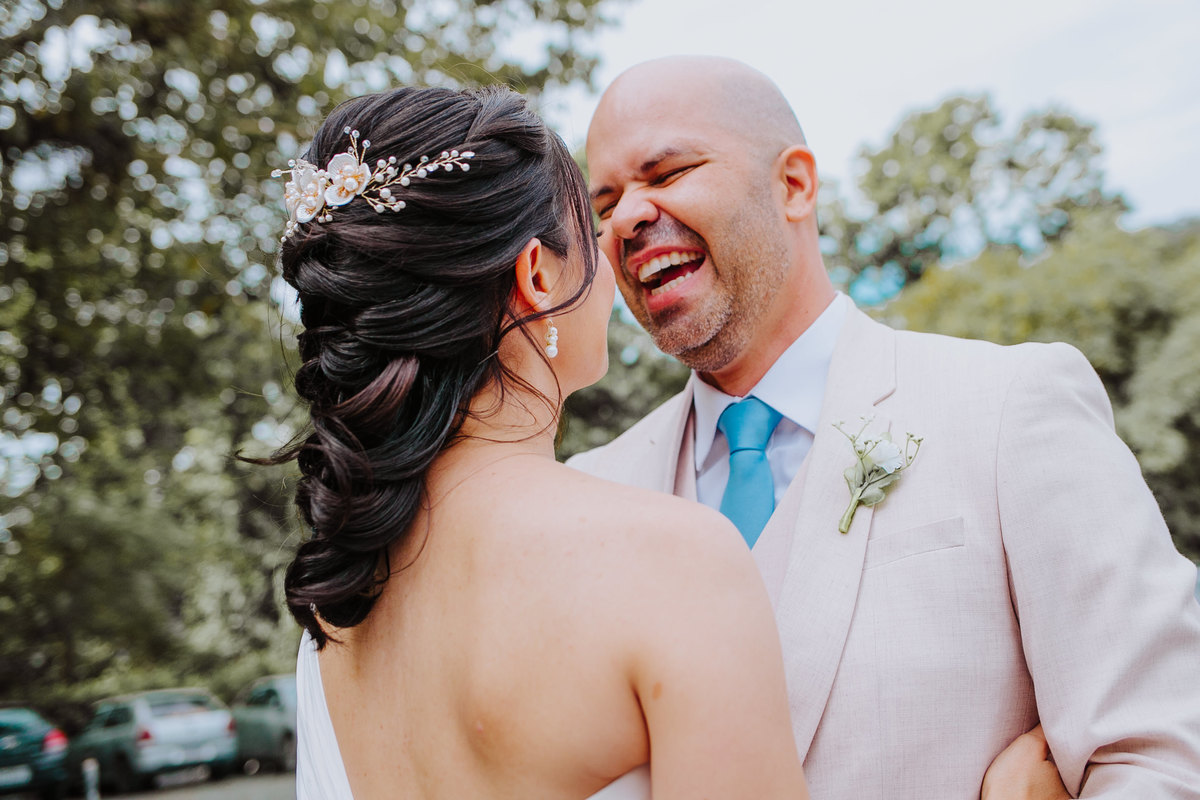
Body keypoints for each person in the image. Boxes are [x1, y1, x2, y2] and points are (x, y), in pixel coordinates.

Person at [262, 85, 1061, 800]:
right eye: (596, 216)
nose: (618, 248)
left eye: (666, 175)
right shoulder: (669, 559)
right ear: (538, 277)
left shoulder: (334, 628)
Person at [571, 54, 1200, 798]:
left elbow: (1161, 754)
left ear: (794, 185)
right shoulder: (585, 499)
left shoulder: (1010, 406)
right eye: (604, 203)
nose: (627, 220)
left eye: (666, 173)